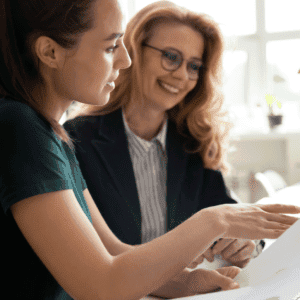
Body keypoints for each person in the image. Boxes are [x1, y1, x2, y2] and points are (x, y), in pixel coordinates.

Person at [1, 0, 300, 299]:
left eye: (194, 66)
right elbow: (102, 285)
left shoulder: (53, 135)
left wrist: (188, 282)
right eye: (110, 47)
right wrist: (214, 221)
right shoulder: (23, 127)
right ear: (50, 52)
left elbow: (114, 252)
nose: (124, 60)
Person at [64, 0, 262, 274]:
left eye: (194, 66)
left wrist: (248, 242)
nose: (182, 75)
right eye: (171, 57)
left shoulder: (193, 142)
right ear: (133, 51)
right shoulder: (77, 139)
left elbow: (234, 215)